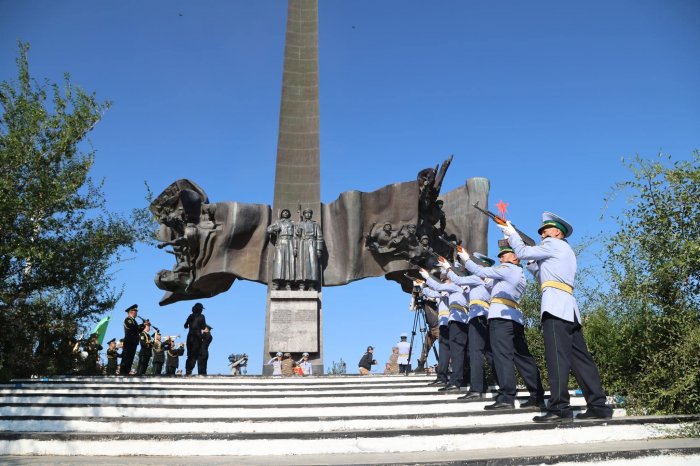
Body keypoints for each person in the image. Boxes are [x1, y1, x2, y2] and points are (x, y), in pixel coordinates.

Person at [500, 212, 613, 422]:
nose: (543, 234)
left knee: (557, 359)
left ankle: (560, 408)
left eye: (547, 230)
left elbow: (522, 252)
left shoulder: (553, 245)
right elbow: (542, 274)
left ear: (558, 233)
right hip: (568, 308)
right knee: (580, 359)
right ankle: (598, 405)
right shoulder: (563, 250)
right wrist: (534, 260)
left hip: (554, 307)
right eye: (542, 231)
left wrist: (510, 232)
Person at [461, 241, 545, 410]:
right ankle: (537, 395)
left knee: (502, 356)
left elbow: (480, 271)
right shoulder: (516, 273)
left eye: (504, 255)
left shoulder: (507, 269)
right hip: (514, 318)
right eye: (500, 256)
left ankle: (507, 396)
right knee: (522, 357)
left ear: (515, 257)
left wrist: (465, 257)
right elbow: (487, 283)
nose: (501, 259)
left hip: (500, 318)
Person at [439, 252, 497, 401]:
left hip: (477, 316)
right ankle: (496, 384)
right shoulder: (487, 279)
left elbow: (457, 280)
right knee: (489, 353)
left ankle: (477, 388)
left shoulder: (478, 278)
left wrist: (448, 268)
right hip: (484, 315)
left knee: (475, 352)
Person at [419, 267, 469, 393]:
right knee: (444, 350)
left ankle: (453, 377)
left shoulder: (452, 288)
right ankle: (442, 375)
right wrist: (422, 288)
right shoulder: (445, 289)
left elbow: (438, 290)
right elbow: (433, 294)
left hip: (450, 321)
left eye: (444, 278)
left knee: (454, 350)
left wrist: (426, 280)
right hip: (444, 322)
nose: (443, 280)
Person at [419, 277, 451, 386]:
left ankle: (446, 366)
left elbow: (433, 297)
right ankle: (421, 364)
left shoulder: (438, 295)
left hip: (438, 325)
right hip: (431, 327)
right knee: (426, 346)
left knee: (443, 347)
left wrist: (425, 289)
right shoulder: (427, 297)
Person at [267, 208, 297, 290]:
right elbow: (268, 229)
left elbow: (295, 236)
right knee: (279, 263)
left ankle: (288, 283)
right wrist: (274, 230)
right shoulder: (278, 222)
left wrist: (295, 247)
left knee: (289, 263)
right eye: (284, 212)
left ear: (289, 214)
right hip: (280, 242)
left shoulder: (292, 223)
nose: (285, 213)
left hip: (290, 242)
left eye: (287, 212)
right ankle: (276, 283)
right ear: (281, 214)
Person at [295, 208, 324, 291]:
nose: (308, 214)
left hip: (312, 244)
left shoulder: (315, 225)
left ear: (311, 215)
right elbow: (296, 236)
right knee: (302, 264)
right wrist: (298, 231)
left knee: (312, 264)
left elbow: (319, 237)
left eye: (309, 213)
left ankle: (311, 285)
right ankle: (302, 284)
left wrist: (319, 249)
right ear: (304, 215)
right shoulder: (300, 224)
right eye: (306, 213)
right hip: (302, 244)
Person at [120, 304, 144, 375]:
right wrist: (142, 325)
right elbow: (133, 327)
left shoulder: (134, 321)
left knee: (130, 358)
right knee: (126, 358)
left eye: (136, 311)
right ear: (131, 312)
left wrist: (144, 325)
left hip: (134, 342)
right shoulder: (127, 319)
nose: (136, 313)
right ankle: (123, 373)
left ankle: (126, 372)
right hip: (129, 341)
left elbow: (138, 330)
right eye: (135, 311)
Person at [184, 302, 206, 375]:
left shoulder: (190, 316)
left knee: (190, 355)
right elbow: (203, 326)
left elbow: (185, 325)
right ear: (200, 309)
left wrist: (190, 324)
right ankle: (190, 370)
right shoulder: (202, 316)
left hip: (189, 337)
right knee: (194, 355)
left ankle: (188, 370)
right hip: (197, 337)